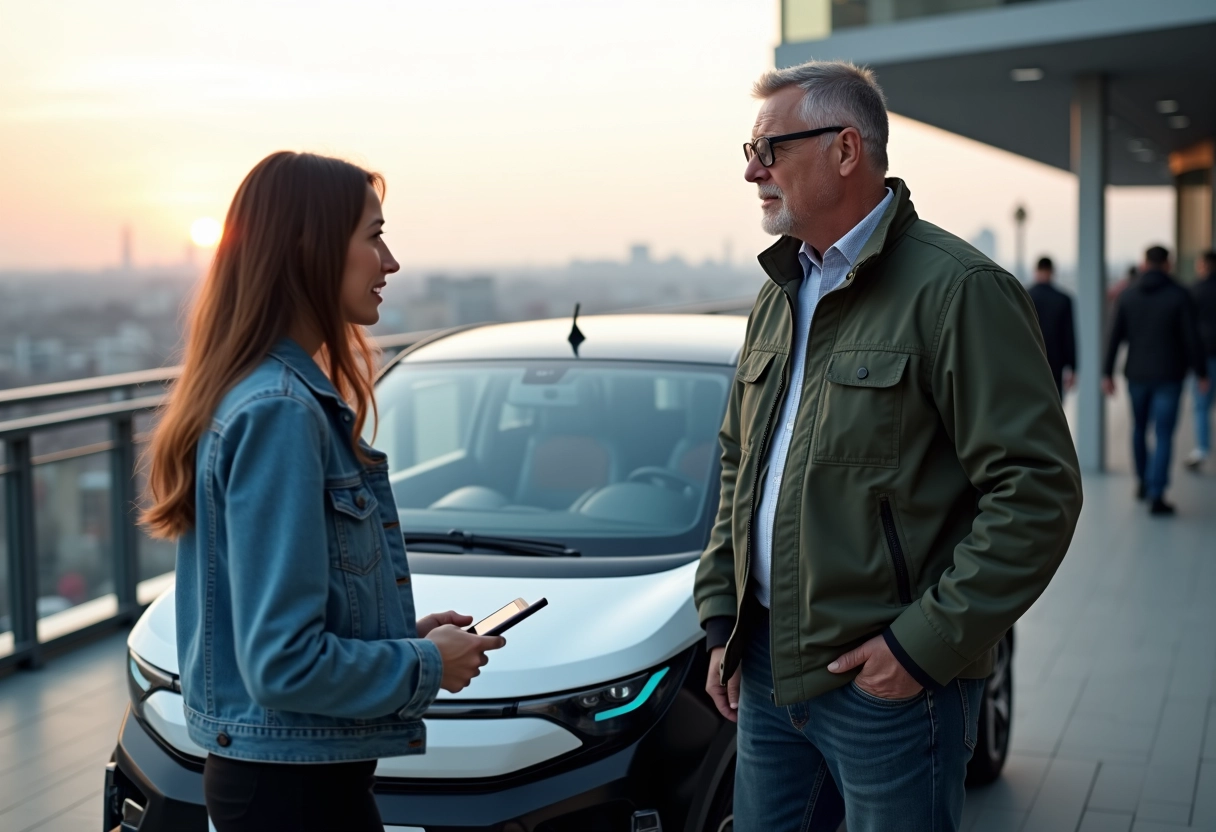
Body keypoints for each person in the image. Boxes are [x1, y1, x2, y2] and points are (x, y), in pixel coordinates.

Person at [693, 60, 1082, 832]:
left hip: (891, 682)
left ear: (846, 149)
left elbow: (1037, 489)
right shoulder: (779, 293)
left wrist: (920, 647)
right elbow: (741, 459)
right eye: (750, 148)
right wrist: (719, 620)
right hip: (767, 666)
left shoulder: (958, 290)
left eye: (769, 148)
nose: (750, 170)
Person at [140, 152, 505, 832]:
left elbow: (284, 623)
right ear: (309, 250)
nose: (390, 261)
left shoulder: (263, 393)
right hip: (294, 798)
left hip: (292, 782)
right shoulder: (281, 410)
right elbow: (282, 663)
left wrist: (398, 636)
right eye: (373, 236)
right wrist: (425, 664)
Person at [1102, 245, 1209, 515]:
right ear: (1168, 264)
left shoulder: (1128, 295)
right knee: (1163, 434)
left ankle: (1142, 481)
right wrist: (1201, 373)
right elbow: (1191, 339)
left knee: (1139, 429)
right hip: (1170, 375)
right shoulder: (1180, 295)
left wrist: (1106, 373)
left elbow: (1114, 337)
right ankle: (1157, 493)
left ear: (1144, 262)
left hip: (1136, 374)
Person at [1027, 256, 1077, 399]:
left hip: (1030, 362)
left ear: (1036, 271)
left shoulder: (1025, 296)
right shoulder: (1064, 299)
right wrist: (1073, 367)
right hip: (1055, 364)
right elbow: (1069, 335)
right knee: (1055, 408)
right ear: (1052, 272)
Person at [1185, 250, 1216, 470]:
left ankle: (1202, 449)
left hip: (1204, 355)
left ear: (1204, 265)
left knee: (1201, 406)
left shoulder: (1194, 291)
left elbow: (1188, 330)